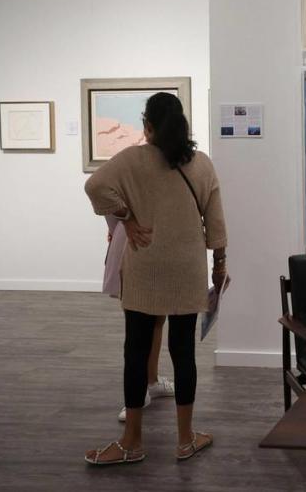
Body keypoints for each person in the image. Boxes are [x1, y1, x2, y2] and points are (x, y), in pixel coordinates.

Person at [83, 92, 228, 465]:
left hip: (145, 268)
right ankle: (185, 439)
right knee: (184, 353)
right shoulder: (202, 164)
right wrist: (220, 264)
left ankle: (131, 441)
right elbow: (215, 224)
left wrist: (126, 218)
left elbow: (94, 187)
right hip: (187, 269)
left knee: (135, 351)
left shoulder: (131, 159)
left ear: (148, 126)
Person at [105, 218, 176, 422]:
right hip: (136, 240)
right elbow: (99, 187)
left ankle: (150, 381)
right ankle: (137, 394)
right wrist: (124, 222)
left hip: (156, 241)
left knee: (157, 315)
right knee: (136, 318)